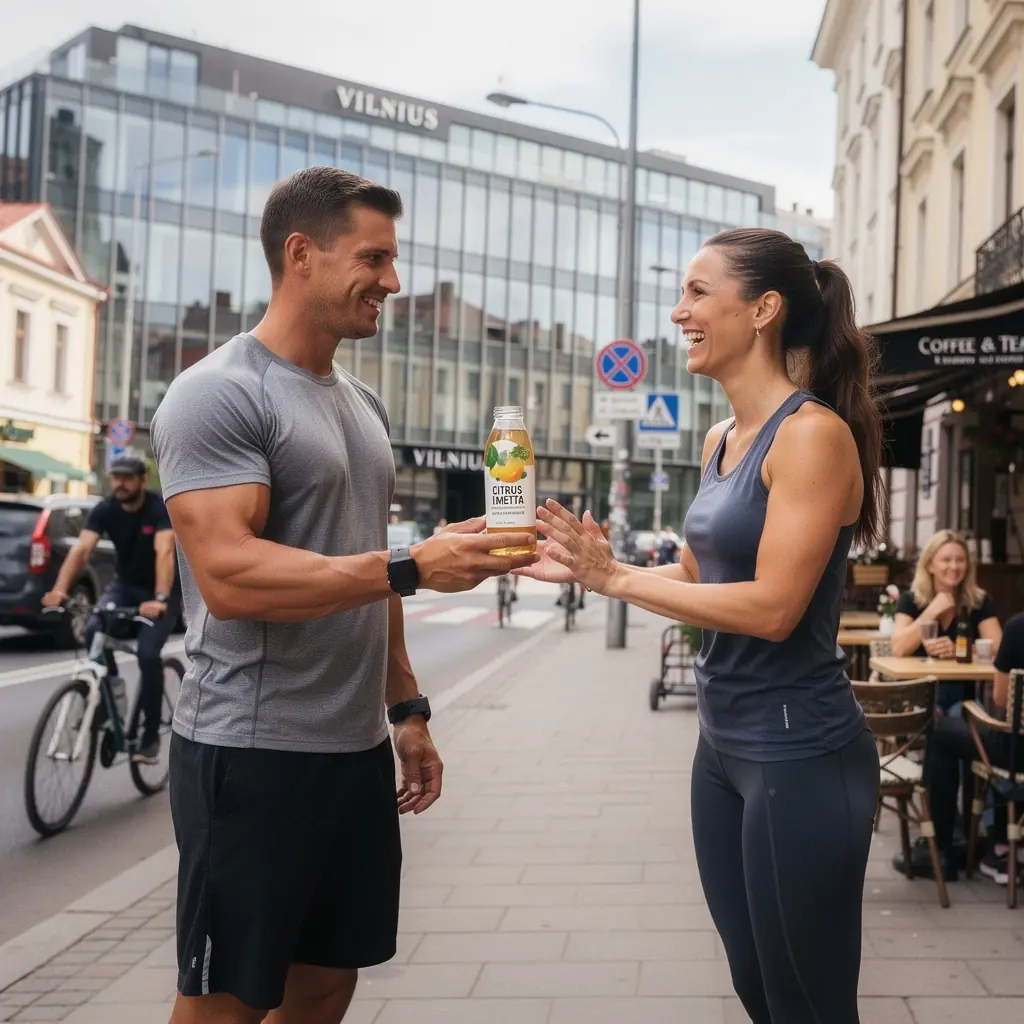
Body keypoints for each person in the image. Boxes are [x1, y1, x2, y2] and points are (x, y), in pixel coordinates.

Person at [150, 167, 536, 1024]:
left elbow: (367, 566)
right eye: (375, 258)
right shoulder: (219, 392)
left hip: (351, 752)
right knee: (225, 998)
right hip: (250, 754)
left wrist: (408, 709)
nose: (393, 282)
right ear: (301, 255)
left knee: (327, 983)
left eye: (395, 260)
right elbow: (231, 576)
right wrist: (408, 566)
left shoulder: (361, 404)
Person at [521, 228, 882, 1023]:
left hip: (803, 751)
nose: (678, 310)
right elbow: (696, 574)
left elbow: (773, 607)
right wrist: (594, 572)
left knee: (808, 1002)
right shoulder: (722, 438)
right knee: (757, 986)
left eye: (695, 292)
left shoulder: (814, 435)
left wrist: (613, 575)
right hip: (722, 747)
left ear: (763, 308)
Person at [43, 454, 178, 764]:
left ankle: (149, 738)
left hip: (162, 592)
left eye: (127, 478)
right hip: (126, 586)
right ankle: (110, 704)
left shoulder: (158, 509)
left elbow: (164, 553)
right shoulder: (106, 509)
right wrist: (60, 590)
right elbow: (82, 550)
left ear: (142, 480)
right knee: (94, 632)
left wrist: (159, 597)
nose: (119, 483)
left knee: (147, 654)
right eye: (116, 477)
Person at [922, 613, 1024, 886]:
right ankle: (993, 841)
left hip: (1018, 758)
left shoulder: (1018, 627)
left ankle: (942, 851)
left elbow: (1002, 698)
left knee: (943, 731)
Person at [891, 529, 1002, 709]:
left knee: (959, 718)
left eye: (960, 560)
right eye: (946, 560)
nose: (954, 566)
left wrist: (961, 650)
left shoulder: (978, 601)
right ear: (930, 565)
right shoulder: (910, 600)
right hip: (917, 696)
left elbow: (999, 649)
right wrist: (932, 611)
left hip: (964, 698)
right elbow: (898, 648)